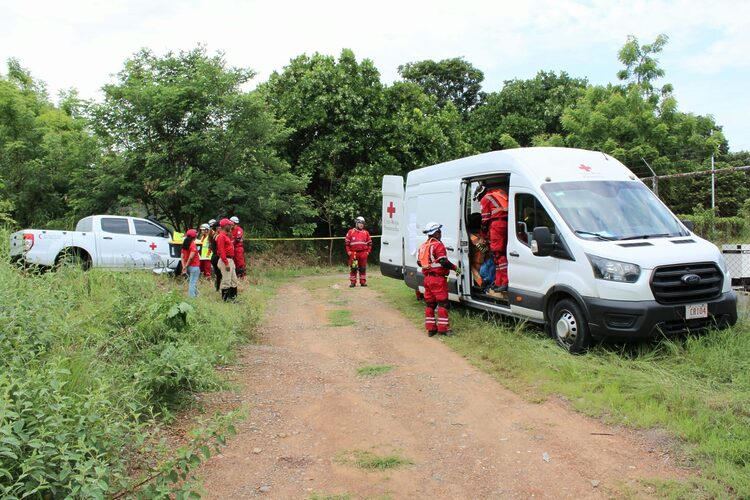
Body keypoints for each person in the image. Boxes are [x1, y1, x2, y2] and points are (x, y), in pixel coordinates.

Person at [417, 222, 460, 337]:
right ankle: (443, 329)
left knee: (430, 304)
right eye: (439, 232)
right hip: (438, 280)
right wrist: (456, 268)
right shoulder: (438, 245)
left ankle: (431, 329)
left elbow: (419, 262)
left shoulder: (423, 246)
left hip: (427, 279)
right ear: (435, 233)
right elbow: (443, 261)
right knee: (443, 304)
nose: (440, 234)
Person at [474, 183, 509, 293]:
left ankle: (504, 282)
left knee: (498, 254)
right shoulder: (499, 194)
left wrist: (483, 236)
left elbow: (484, 221)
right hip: (504, 224)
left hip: (496, 225)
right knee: (498, 255)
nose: (479, 200)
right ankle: (498, 282)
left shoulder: (486, 198)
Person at [345, 216, 373, 287]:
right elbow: (347, 243)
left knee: (363, 268)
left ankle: (363, 282)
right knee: (354, 268)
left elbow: (370, 244)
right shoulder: (351, 232)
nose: (361, 224)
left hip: (363, 253)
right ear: (356, 223)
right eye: (360, 223)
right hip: (354, 253)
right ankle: (353, 282)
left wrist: (368, 252)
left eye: (363, 223)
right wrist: (348, 251)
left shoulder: (366, 233)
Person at [216, 218, 238, 301]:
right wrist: (226, 263)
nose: (231, 226)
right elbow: (221, 251)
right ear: (225, 226)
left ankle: (233, 298)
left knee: (234, 280)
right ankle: (225, 300)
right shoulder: (221, 236)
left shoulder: (226, 235)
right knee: (226, 281)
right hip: (226, 260)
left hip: (230, 260)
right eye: (229, 225)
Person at [180, 229, 201, 297]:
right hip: (194, 266)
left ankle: (196, 296)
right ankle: (192, 298)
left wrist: (184, 266)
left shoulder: (185, 245)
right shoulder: (193, 245)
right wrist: (185, 266)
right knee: (192, 283)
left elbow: (182, 257)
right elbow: (191, 257)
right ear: (194, 237)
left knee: (192, 282)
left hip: (188, 267)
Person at [208, 219, 222, 292]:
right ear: (217, 228)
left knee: (218, 274)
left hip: (213, 257)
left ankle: (217, 288)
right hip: (217, 256)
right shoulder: (217, 236)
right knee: (220, 274)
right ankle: (219, 289)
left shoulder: (213, 234)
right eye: (221, 227)